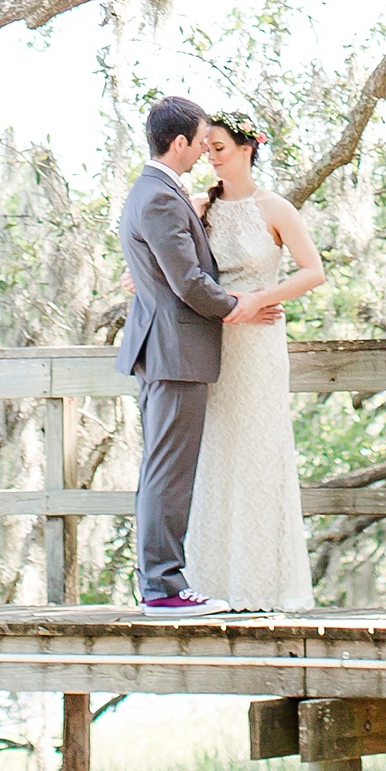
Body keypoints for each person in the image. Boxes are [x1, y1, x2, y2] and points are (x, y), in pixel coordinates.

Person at [116, 94, 279, 612]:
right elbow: (188, 282)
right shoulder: (161, 196)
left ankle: (161, 582)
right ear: (179, 142)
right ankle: (163, 588)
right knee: (167, 471)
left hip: (167, 347)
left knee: (162, 468)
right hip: (174, 348)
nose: (204, 151)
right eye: (200, 142)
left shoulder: (155, 191)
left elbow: (163, 273)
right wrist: (239, 307)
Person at [184, 115, 323, 611]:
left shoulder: (275, 207)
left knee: (262, 450)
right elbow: (172, 267)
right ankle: (212, 582)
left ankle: (264, 582)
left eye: (219, 146)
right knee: (216, 452)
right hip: (213, 340)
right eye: (206, 148)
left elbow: (313, 271)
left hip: (260, 339)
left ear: (247, 147)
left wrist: (262, 297)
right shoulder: (199, 207)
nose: (211, 155)